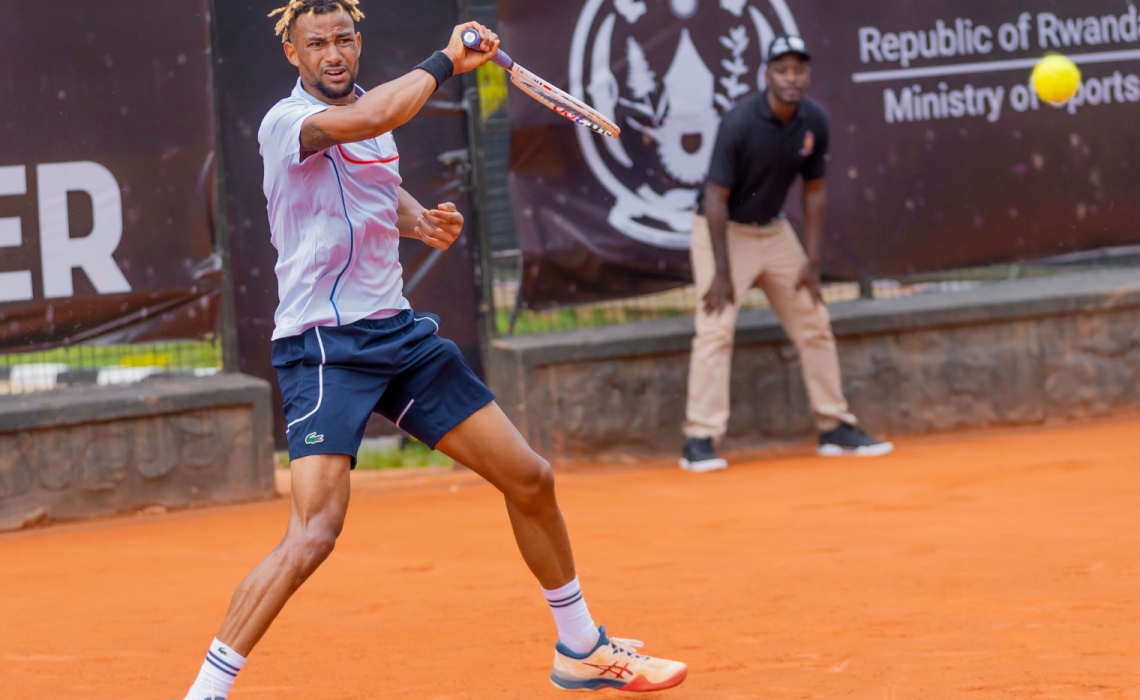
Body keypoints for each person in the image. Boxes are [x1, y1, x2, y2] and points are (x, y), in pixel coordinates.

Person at [179, 2, 687, 697]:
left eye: (343, 39)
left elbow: (373, 178)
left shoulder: (370, 106)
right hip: (326, 346)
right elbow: (369, 124)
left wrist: (418, 221)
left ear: (358, 44)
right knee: (314, 533)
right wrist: (447, 60)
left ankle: (581, 648)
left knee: (529, 478)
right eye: (316, 44)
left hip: (398, 334)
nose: (332, 53)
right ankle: (206, 691)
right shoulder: (285, 122)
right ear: (293, 56)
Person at [680, 34, 893, 473]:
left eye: (799, 70)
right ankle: (699, 437)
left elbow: (814, 191)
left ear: (807, 76)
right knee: (715, 330)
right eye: (782, 69)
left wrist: (812, 261)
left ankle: (834, 426)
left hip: (775, 233)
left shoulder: (815, 120)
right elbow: (715, 197)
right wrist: (721, 272)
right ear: (767, 76)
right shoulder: (739, 122)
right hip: (721, 232)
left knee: (814, 320)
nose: (791, 78)